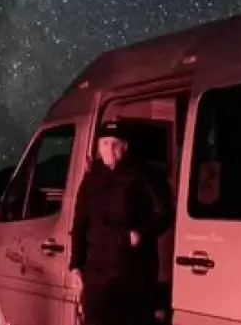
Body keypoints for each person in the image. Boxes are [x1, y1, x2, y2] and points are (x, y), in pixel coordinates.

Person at [69, 120, 172, 325]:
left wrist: (141, 233)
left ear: (125, 147)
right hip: (97, 276)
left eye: (115, 143)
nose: (110, 149)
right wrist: (75, 265)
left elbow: (164, 214)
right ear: (98, 147)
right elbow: (80, 223)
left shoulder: (143, 176)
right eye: (105, 143)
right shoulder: (91, 180)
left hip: (132, 277)